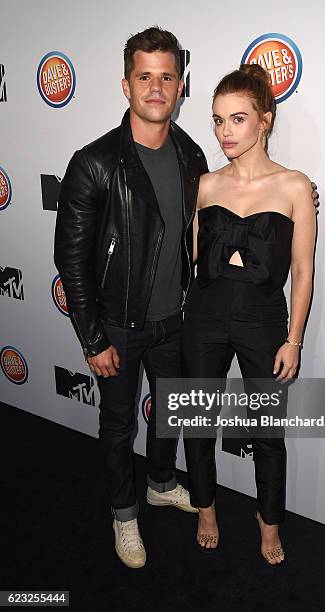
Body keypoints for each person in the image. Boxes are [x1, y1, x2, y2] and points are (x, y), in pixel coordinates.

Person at [54, 27, 209, 569]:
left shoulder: (191, 154)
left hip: (174, 320)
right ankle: (124, 515)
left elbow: (220, 213)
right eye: (145, 76)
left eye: (167, 76)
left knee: (170, 414)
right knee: (119, 425)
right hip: (117, 325)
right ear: (126, 85)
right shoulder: (94, 162)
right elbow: (70, 261)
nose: (156, 87)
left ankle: (161, 484)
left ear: (181, 85)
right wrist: (92, 338)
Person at [182, 64, 317, 565]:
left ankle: (268, 521)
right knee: (197, 421)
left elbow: (302, 271)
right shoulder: (204, 184)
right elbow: (189, 255)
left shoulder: (295, 187)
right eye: (217, 121)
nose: (224, 133)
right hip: (204, 314)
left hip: (264, 320)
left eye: (237, 119)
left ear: (266, 119)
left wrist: (294, 339)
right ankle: (206, 509)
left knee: (267, 432)